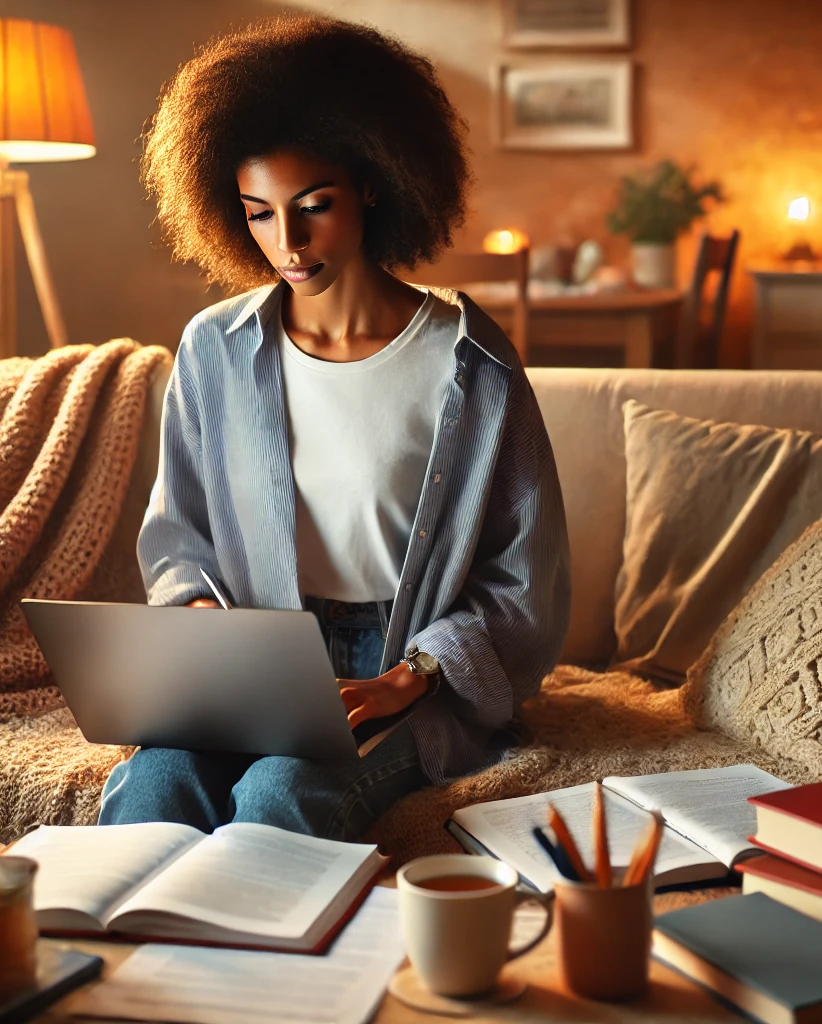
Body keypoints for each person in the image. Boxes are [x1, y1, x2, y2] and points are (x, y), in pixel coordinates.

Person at [97, 15, 570, 842]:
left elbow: (522, 578)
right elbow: (179, 538)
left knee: (281, 794)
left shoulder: (473, 362)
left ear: (375, 183)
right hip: (254, 660)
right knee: (154, 783)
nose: (287, 242)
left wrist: (411, 676)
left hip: (404, 663)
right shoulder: (214, 349)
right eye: (259, 214)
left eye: (313, 206)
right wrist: (203, 624)